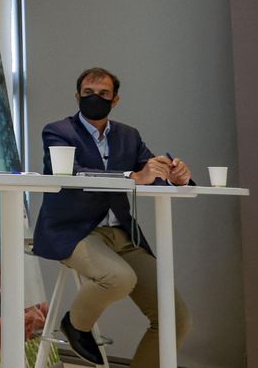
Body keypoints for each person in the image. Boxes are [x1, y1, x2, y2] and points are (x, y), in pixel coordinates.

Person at [33, 67, 193, 366]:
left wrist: (175, 177)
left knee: (176, 319)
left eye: (103, 94)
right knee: (119, 279)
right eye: (88, 93)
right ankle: (75, 325)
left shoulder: (128, 135)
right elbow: (74, 173)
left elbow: (150, 172)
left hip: (123, 235)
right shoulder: (58, 131)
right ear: (77, 96)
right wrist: (131, 175)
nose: (95, 98)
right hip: (76, 231)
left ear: (115, 100)